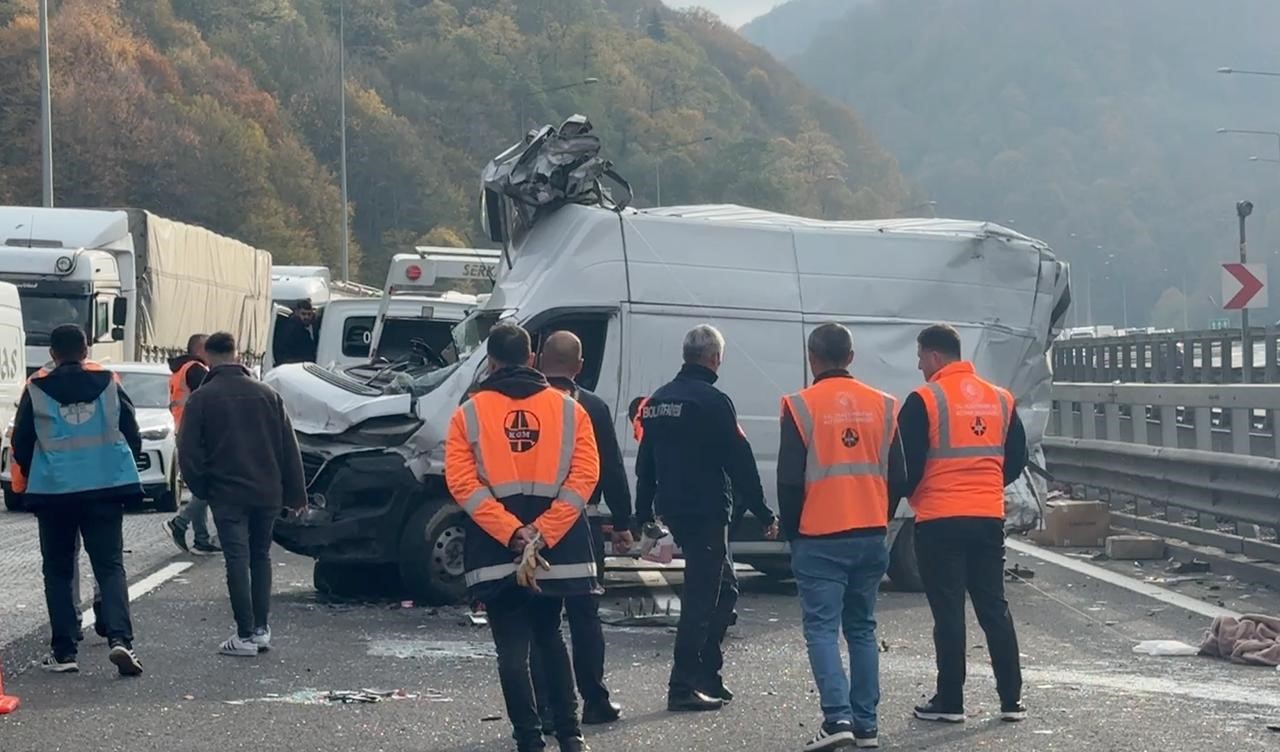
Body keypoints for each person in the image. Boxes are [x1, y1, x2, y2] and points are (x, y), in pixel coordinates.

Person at [444, 323, 600, 752]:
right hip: (557, 549)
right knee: (550, 637)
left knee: (511, 648)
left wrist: (512, 532)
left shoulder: (469, 414)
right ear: (532, 359)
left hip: (496, 550)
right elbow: (584, 476)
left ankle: (529, 740)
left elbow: (462, 483)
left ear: (490, 361)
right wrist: (543, 533)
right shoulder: (571, 409)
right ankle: (571, 736)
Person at [778, 323, 909, 751]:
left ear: (811, 357)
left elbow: (789, 480)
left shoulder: (800, 406)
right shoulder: (885, 406)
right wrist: (880, 518)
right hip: (870, 533)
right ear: (851, 357)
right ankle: (867, 725)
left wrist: (793, 532)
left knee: (821, 628)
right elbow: (901, 475)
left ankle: (837, 718)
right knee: (862, 628)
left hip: (819, 535)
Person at [636, 323, 779, 713]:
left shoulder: (659, 400)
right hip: (706, 511)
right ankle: (683, 685)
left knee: (725, 589)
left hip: (675, 508)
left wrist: (641, 512)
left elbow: (645, 464)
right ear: (715, 358)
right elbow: (740, 459)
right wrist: (764, 511)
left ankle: (706, 674)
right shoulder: (713, 401)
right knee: (702, 599)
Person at [898, 324, 1028, 724]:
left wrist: (909, 496)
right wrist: (985, 484)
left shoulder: (925, 399)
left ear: (935, 356)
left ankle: (951, 700)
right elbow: (1016, 458)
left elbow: (908, 464)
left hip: (939, 519)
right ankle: (1011, 700)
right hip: (987, 516)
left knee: (949, 611)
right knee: (994, 608)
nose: (919, 366)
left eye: (920, 357)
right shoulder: (1000, 398)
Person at [13, 324, 144, 676]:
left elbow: (22, 442)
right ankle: (120, 640)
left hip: (54, 491)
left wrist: (28, 481)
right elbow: (131, 431)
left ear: (52, 353)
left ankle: (64, 651)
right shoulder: (109, 381)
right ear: (86, 349)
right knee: (109, 565)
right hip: (104, 488)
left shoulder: (37, 387)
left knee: (58, 570)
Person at [177, 332, 307, 657]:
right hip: (267, 492)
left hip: (226, 493)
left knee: (236, 558)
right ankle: (261, 629)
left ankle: (244, 634)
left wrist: (204, 489)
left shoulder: (202, 399)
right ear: (237, 354)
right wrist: (296, 495)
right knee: (260, 556)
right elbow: (288, 448)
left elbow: (189, 453)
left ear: (207, 356)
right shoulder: (268, 394)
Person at [529, 331, 629, 731]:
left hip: (535, 525)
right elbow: (611, 467)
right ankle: (594, 699)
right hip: (582, 523)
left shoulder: (526, 407)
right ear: (580, 366)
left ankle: (548, 709)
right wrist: (623, 521)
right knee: (585, 616)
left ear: (538, 362)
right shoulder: (591, 406)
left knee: (541, 621)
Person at [162, 333, 220, 555]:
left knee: (199, 485)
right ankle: (180, 521)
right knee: (208, 485)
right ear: (198, 350)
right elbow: (211, 399)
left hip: (184, 431)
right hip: (198, 434)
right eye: (208, 348)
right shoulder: (196, 370)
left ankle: (201, 538)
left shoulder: (181, 370)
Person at [273, 300, 318, 365]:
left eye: (309, 314)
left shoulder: (306, 328)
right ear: (296, 312)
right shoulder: (291, 328)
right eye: (303, 314)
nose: (306, 317)